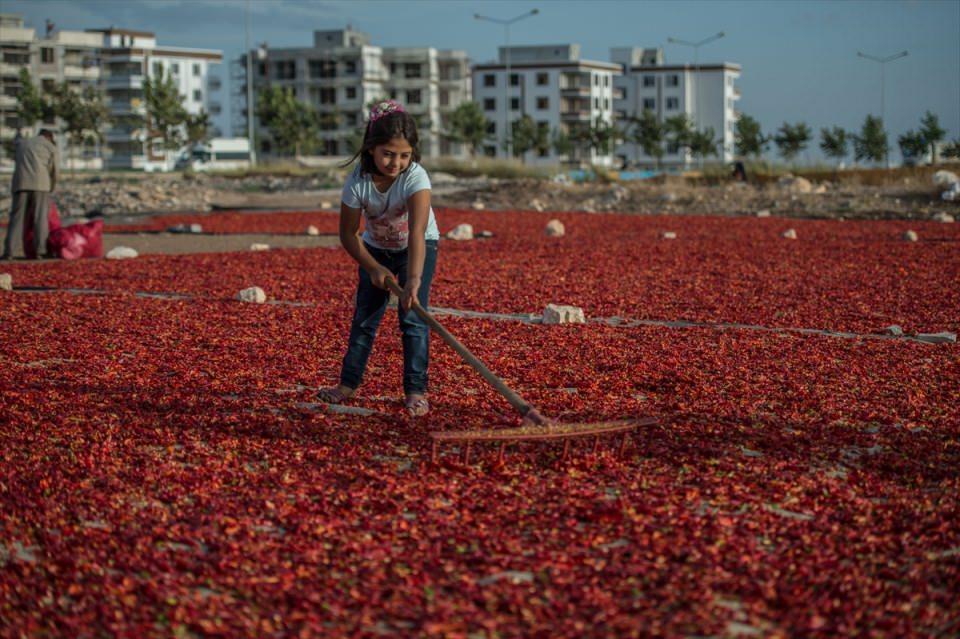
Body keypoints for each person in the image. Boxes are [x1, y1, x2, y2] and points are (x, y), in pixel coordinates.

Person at [316, 100, 440, 417]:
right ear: (371, 148)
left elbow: (416, 232)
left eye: (404, 155)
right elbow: (347, 234)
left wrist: (412, 281)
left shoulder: (416, 178)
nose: (395, 162)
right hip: (374, 249)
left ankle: (416, 391)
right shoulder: (357, 182)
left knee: (413, 320)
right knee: (365, 320)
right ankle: (347, 384)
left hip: (417, 248)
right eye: (388, 153)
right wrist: (373, 267)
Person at [2, 128, 59, 260]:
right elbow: (54, 171)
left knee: (17, 218)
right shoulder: (50, 146)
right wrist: (51, 187)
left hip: (21, 183)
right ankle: (40, 251)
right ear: (50, 137)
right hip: (41, 184)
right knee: (40, 218)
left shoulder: (23, 143)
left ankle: (9, 251)